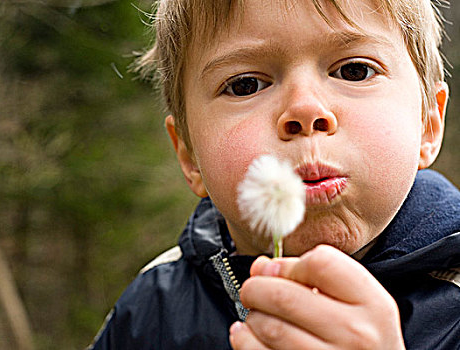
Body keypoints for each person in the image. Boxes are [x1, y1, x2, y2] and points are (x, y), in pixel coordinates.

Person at [88, 0, 460, 349]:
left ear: (428, 124)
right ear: (189, 156)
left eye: (354, 70)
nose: (304, 108)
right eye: (245, 85)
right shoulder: (151, 310)